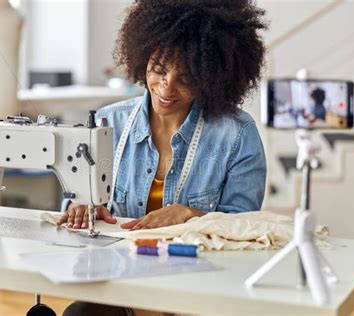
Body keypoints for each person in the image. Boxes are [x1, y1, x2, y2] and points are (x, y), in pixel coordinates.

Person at [61, 1, 267, 313]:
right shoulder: (108, 123)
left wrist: (189, 214)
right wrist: (82, 205)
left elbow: (245, 229)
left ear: (211, 77)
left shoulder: (237, 134)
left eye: (186, 78)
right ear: (142, 57)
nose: (166, 87)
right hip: (120, 281)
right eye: (158, 70)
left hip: (196, 287)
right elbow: (73, 200)